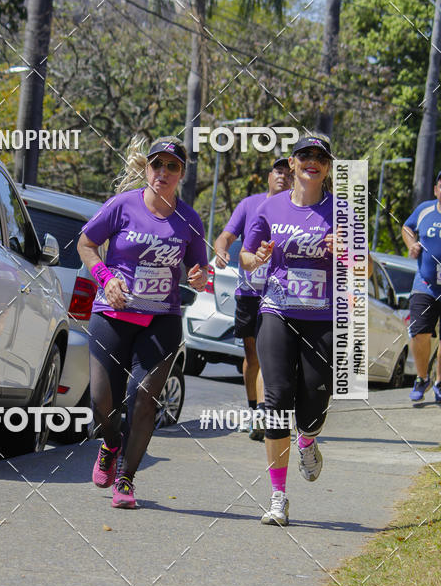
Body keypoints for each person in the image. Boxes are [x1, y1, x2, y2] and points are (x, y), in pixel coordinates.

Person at [241, 135, 372, 526]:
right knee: (277, 398)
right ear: (293, 164)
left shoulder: (343, 211)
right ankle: (278, 497)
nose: (312, 161)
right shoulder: (269, 207)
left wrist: (345, 250)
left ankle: (309, 440)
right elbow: (247, 258)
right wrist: (258, 257)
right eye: (305, 155)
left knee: (314, 405)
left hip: (323, 318)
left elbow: (364, 267)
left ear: (327, 167)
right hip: (277, 310)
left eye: (320, 157)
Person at [77, 136, 209, 508]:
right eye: (157, 164)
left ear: (181, 173)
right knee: (102, 402)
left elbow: (199, 269)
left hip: (160, 320)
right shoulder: (122, 205)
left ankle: (126, 478)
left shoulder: (189, 219)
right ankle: (111, 443)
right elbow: (86, 244)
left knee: (145, 399)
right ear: (147, 168)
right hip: (113, 314)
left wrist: (200, 277)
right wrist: (105, 276)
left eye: (172, 166)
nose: (162, 172)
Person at [214, 158, 292, 440]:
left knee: (268, 355)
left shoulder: (295, 210)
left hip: (280, 294)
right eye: (278, 171)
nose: (283, 176)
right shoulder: (250, 204)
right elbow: (226, 235)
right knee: (252, 357)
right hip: (249, 292)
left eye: (288, 172)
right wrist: (221, 250)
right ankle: (253, 408)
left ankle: (263, 411)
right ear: (268, 176)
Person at [401, 170, 441, 405]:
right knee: (419, 333)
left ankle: (439, 382)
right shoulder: (425, 209)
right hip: (425, 284)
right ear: (436, 190)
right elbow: (407, 228)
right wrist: (412, 243)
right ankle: (422, 377)